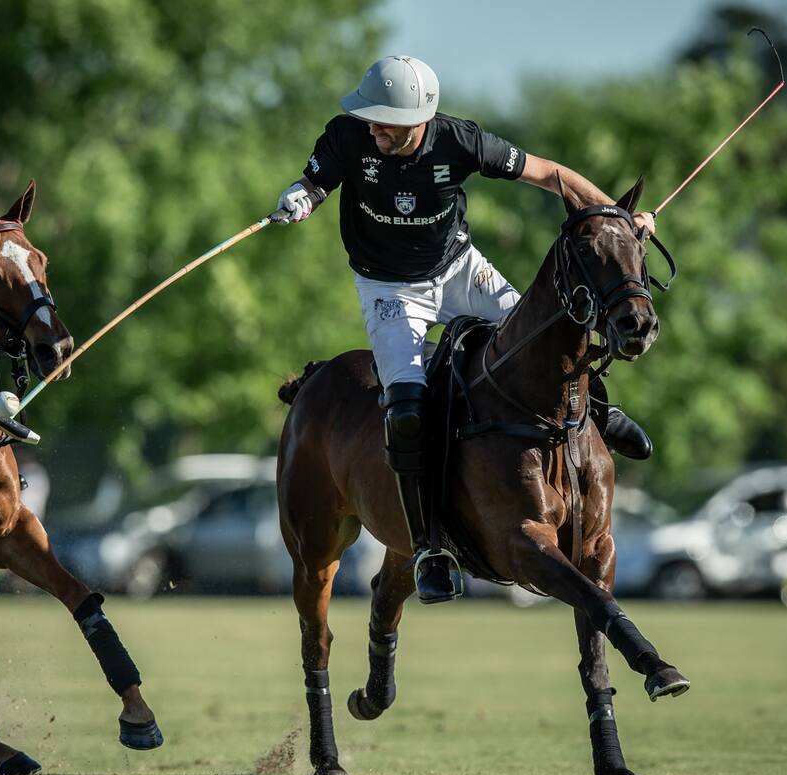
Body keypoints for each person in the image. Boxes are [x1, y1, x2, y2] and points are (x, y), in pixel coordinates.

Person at [274, 56, 654, 603]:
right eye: (372, 116)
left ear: (422, 119)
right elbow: (314, 181)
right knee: (404, 411)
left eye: (388, 120)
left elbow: (550, 174)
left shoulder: (460, 141)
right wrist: (301, 196)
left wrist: (614, 215)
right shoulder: (347, 137)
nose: (376, 127)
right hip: (388, 289)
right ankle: (429, 547)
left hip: (458, 272)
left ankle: (599, 410)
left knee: (549, 344)